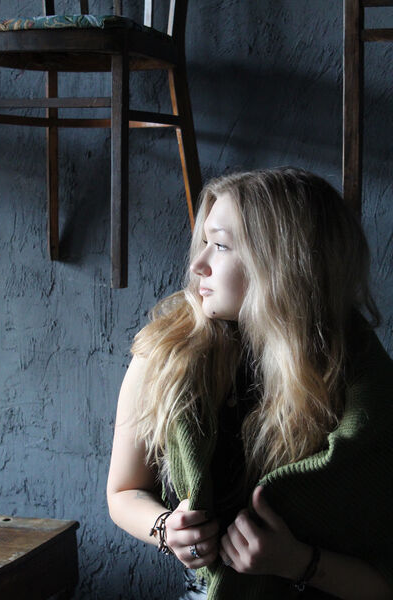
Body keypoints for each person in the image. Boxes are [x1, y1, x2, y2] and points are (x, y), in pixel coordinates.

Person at [107, 167, 393, 600]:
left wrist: (295, 561)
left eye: (221, 245)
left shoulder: (362, 383)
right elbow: (124, 491)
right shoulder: (167, 356)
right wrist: (166, 528)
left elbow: (383, 581)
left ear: (284, 262)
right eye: (204, 242)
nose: (197, 265)